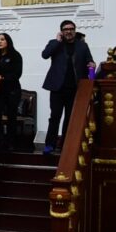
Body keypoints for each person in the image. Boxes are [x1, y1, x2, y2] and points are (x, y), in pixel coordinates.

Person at [40, 20, 94, 155]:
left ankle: (65, 144)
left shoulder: (82, 46)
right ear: (61, 31)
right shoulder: (55, 43)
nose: (68, 31)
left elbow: (89, 61)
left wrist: (92, 64)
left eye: (71, 29)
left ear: (75, 31)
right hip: (57, 87)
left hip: (75, 87)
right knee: (55, 117)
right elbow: (45, 55)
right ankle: (49, 144)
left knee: (70, 118)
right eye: (65, 29)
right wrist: (57, 42)